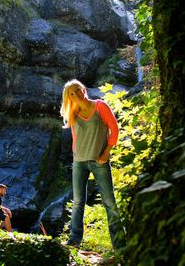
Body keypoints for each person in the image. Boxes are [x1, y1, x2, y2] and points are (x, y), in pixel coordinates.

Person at [60, 79, 125, 249]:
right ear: (69, 98)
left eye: (77, 90)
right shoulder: (73, 113)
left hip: (99, 161)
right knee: (77, 202)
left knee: (109, 202)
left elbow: (114, 128)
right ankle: (74, 241)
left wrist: (106, 153)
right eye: (71, 94)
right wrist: (76, 155)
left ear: (83, 89)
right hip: (79, 162)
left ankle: (120, 245)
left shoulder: (100, 106)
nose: (76, 95)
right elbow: (75, 137)